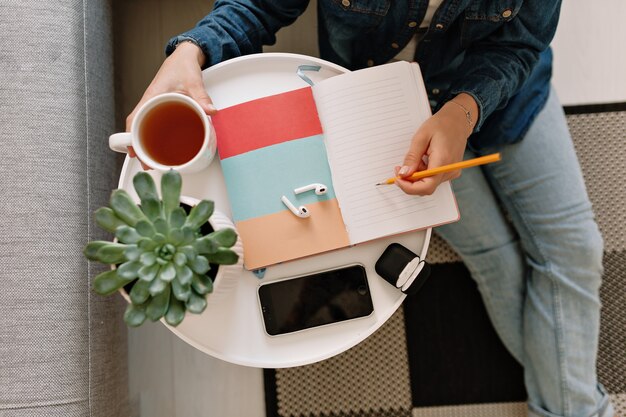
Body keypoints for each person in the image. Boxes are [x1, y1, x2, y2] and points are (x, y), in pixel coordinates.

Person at [126, 1, 614, 416]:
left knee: (577, 250)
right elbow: (259, 5)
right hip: (383, 115)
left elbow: (518, 46)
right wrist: (193, 48)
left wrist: (464, 113)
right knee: (498, 260)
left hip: (505, 99)